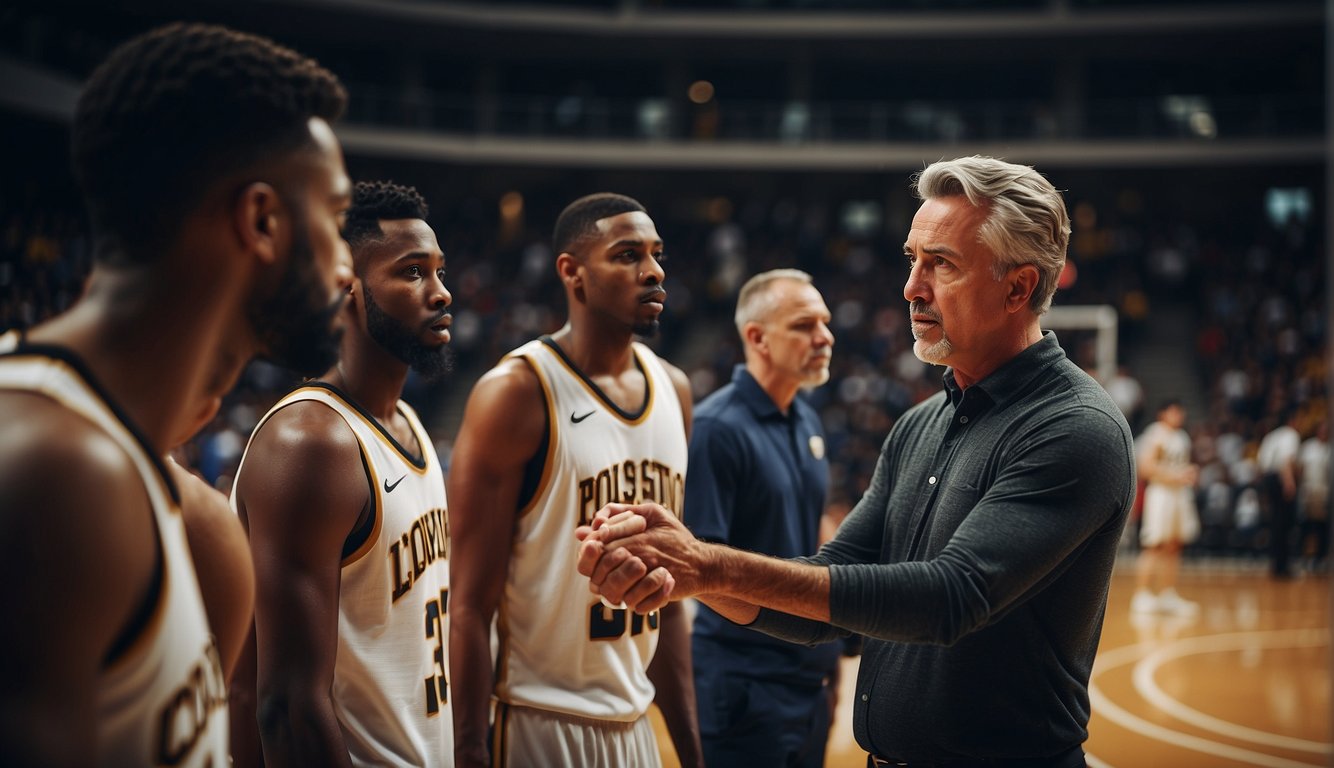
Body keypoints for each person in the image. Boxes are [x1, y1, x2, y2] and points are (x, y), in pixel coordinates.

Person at [578, 156, 1136, 767]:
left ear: (1019, 287)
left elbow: (950, 598)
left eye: (941, 264)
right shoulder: (920, 424)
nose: (911, 286)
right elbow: (831, 592)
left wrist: (709, 563)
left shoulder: (1074, 428)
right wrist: (692, 574)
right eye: (912, 259)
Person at [0, 22, 351, 766]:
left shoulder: (188, 517)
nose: (348, 265)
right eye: (339, 218)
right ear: (261, 220)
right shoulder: (53, 471)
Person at [448, 193, 704, 768]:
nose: (654, 270)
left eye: (657, 254)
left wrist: (691, 751)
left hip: (634, 726)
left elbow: (671, 596)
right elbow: (468, 604)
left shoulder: (676, 391)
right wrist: (469, 751)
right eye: (627, 255)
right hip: (536, 723)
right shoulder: (515, 392)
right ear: (573, 273)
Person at [229, 181, 455, 767]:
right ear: (347, 292)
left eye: (439, 271)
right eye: (412, 273)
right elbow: (287, 706)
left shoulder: (406, 420)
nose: (441, 293)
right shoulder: (312, 444)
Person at [684, 268, 841, 767]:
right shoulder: (716, 428)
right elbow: (699, 570)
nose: (825, 336)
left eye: (825, 322)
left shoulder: (807, 417)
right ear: (757, 337)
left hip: (809, 677)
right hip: (745, 684)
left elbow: (812, 523)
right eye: (804, 325)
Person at [1130, 399, 1200, 616]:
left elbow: (1180, 466)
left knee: (1174, 545)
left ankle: (1167, 594)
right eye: (1174, 411)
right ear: (1163, 414)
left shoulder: (1182, 437)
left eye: (1180, 412)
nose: (1179, 415)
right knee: (1154, 544)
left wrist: (1189, 473)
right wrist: (1175, 476)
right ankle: (1141, 595)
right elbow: (1146, 468)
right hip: (1161, 494)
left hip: (1179, 495)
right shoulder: (1156, 433)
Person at [1258, 409, 1303, 578]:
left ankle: (1276, 565)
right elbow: (1286, 460)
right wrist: (1289, 483)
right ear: (1292, 419)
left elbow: (1262, 463)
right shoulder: (1290, 434)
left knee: (1276, 523)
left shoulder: (1272, 435)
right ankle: (1283, 567)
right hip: (1282, 479)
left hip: (1269, 480)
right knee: (1285, 524)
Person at [1296, 420, 1330, 571]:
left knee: (1322, 526)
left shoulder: (1330, 449)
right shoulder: (1308, 447)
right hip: (1308, 490)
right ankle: (1303, 557)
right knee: (1306, 525)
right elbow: (1300, 469)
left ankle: (1320, 559)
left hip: (1324, 491)